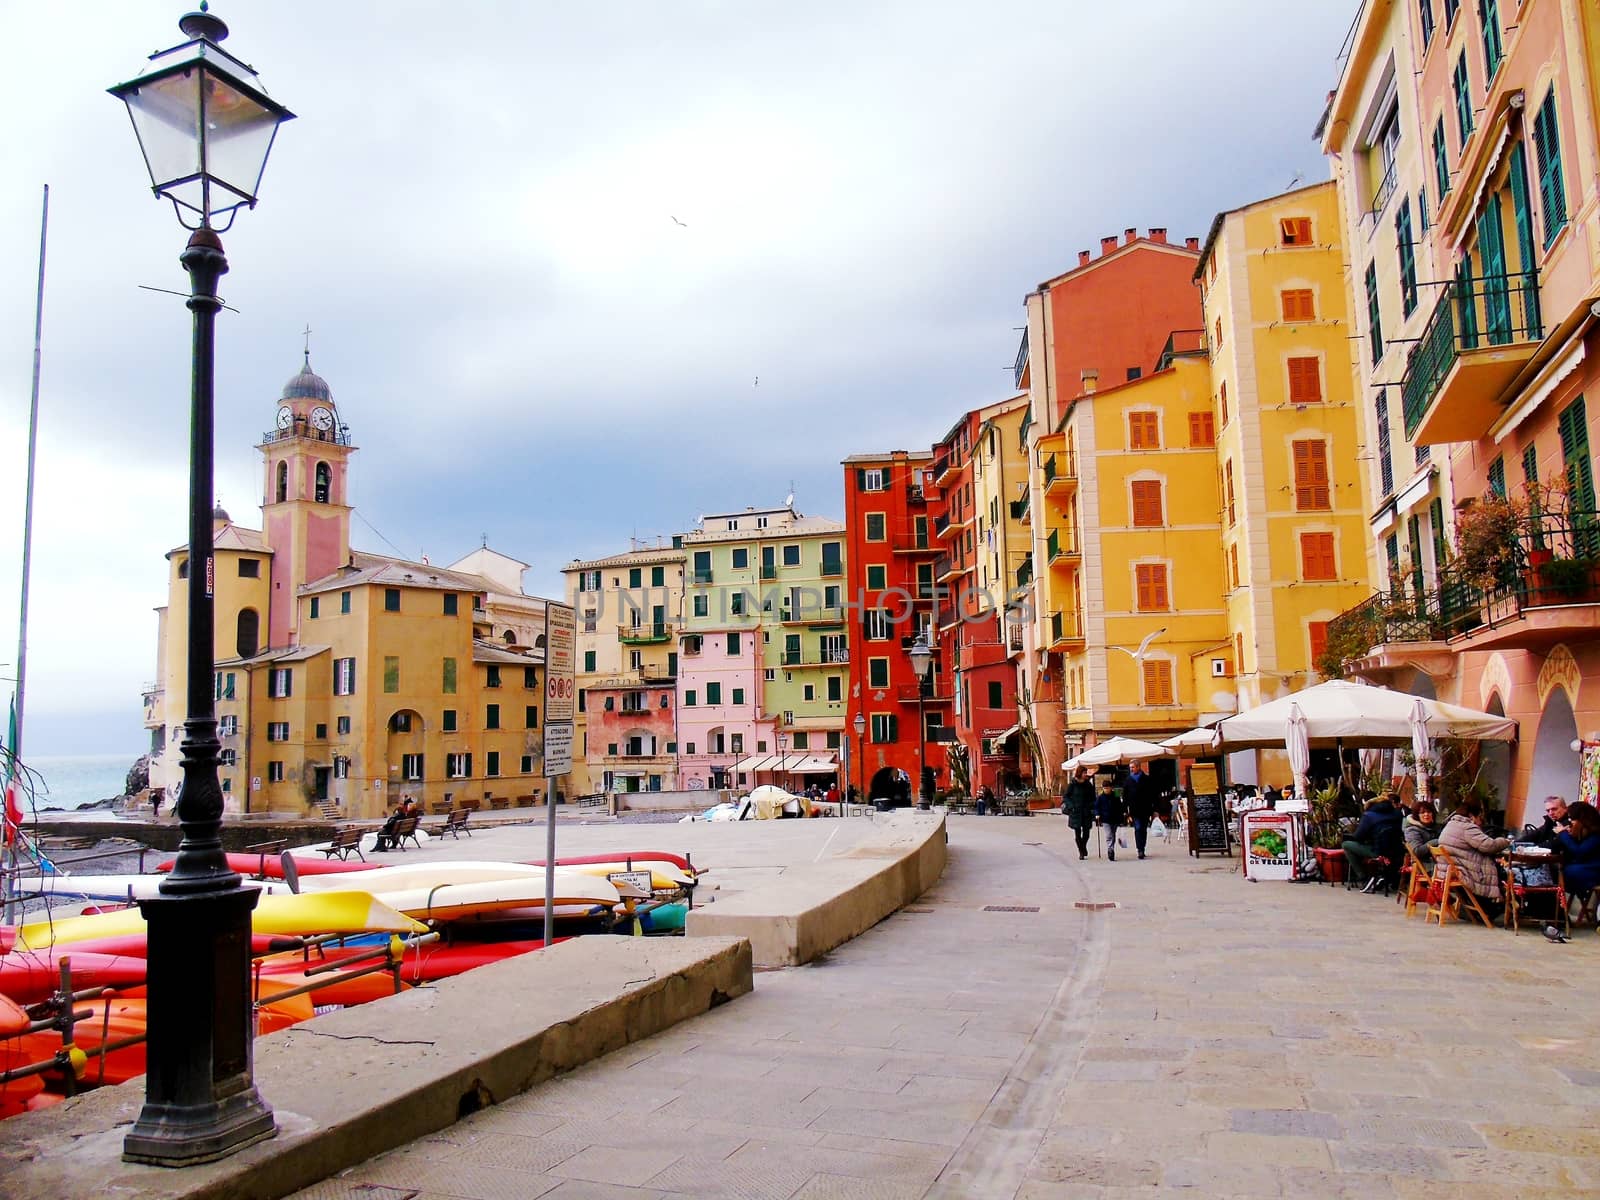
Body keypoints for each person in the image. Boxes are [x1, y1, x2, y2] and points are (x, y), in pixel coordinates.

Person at [1438, 795, 1511, 921]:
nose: (1480, 822)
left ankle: (1483, 908)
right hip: (1464, 871)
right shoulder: (1467, 827)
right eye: (1479, 818)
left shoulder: (1452, 824)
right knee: (1499, 871)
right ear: (1472, 816)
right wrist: (1506, 841)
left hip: (1450, 869)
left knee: (1492, 867)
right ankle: (1495, 907)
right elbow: (1489, 846)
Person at [1342, 793, 1404, 892]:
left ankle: (1364, 878)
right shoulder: (1397, 813)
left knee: (1346, 845)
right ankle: (1382, 876)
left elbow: (1358, 836)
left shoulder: (1369, 816)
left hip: (1378, 851)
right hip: (1396, 851)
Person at [1556, 801, 1600, 919]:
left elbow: (1579, 852)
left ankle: (1558, 914)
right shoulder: (1585, 834)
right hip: (1586, 870)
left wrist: (1564, 835)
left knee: (1561, 872)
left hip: (1594, 872)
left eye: (1572, 820)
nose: (1570, 823)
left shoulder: (1596, 836)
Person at [1123, 760, 1159, 859]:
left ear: (1138, 767)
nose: (1131, 769)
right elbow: (1125, 796)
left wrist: (1155, 809)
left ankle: (1142, 847)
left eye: (1133, 767)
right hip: (1134, 810)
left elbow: (1153, 795)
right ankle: (1140, 850)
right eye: (1130, 767)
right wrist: (1125, 810)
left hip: (1146, 809)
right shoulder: (1128, 780)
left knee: (1143, 829)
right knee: (1138, 828)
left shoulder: (1147, 779)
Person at [1062, 767, 1095, 860]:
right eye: (1084, 773)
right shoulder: (1072, 784)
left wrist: (1091, 806)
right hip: (1075, 812)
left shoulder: (1088, 784)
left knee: (1086, 833)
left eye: (1086, 773)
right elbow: (1066, 797)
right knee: (1077, 833)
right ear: (1080, 773)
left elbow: (1093, 797)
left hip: (1086, 812)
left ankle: (1083, 846)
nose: (1086, 775)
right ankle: (1081, 851)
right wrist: (1071, 806)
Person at [1095, 776, 1127, 862]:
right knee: (1109, 834)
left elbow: (1120, 805)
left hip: (1115, 818)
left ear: (1111, 788)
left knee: (1113, 833)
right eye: (1104, 788)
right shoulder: (1100, 797)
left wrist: (1123, 812)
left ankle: (1111, 848)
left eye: (1107, 788)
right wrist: (1097, 814)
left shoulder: (1115, 796)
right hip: (1105, 819)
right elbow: (1097, 807)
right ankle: (1110, 849)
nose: (1106, 790)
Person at [1402, 801, 1438, 867]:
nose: (1426, 814)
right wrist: (1436, 841)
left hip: (1439, 864)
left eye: (1429, 812)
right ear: (1417, 815)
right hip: (1425, 866)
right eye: (1422, 812)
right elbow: (1417, 851)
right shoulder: (1412, 830)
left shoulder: (1436, 827)